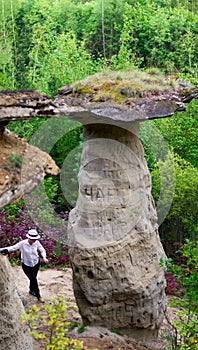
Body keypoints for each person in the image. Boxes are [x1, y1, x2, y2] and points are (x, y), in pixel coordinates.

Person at [0, 229, 48, 302]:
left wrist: (44, 257)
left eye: (35, 239)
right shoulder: (23, 243)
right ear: (29, 238)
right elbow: (13, 248)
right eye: (33, 239)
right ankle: (38, 296)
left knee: (33, 278)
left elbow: (42, 250)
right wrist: (1, 250)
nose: (34, 240)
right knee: (33, 279)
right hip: (26, 264)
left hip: (35, 263)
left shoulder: (37, 243)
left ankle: (31, 290)